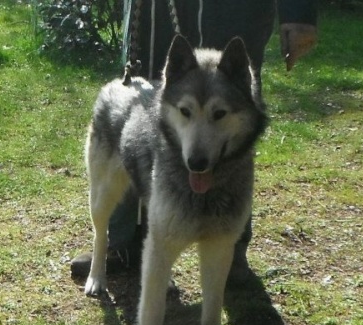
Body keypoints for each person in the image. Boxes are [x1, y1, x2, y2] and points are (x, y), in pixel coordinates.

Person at [72, 0, 318, 280]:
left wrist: (299, 13)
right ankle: (125, 241)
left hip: (230, 14)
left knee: (230, 117)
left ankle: (228, 249)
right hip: (158, 12)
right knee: (151, 116)